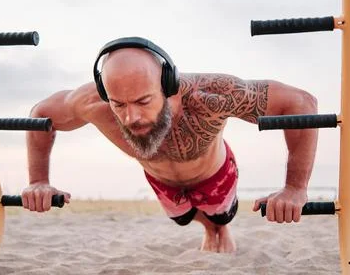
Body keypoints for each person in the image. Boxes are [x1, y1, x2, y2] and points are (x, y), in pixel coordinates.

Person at [21, 37, 318, 253]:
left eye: (143, 101)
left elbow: (301, 103)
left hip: (214, 174)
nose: (131, 116)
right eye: (118, 104)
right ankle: (207, 227)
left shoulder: (210, 96)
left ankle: (220, 228)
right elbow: (41, 115)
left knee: (220, 214)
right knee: (184, 218)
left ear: (167, 84)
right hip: (160, 180)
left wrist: (294, 188)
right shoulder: (89, 103)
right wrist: (38, 181)